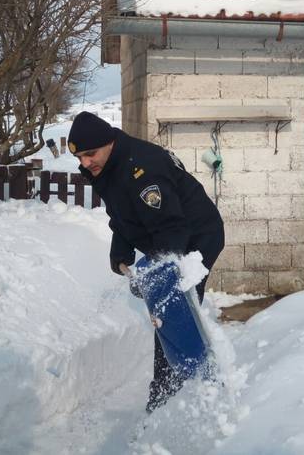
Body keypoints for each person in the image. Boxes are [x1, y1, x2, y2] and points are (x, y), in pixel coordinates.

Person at [69, 111, 225, 413]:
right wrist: (121, 254)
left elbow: (172, 229)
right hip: (168, 233)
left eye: (91, 154)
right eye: (80, 157)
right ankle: (172, 391)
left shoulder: (142, 168)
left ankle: (185, 393)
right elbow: (123, 215)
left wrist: (154, 275)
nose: (86, 163)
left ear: (109, 142)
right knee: (165, 308)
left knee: (171, 312)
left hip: (197, 238)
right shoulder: (107, 168)